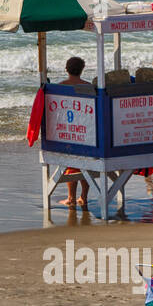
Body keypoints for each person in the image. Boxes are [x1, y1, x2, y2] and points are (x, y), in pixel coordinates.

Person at [57, 57, 92, 211]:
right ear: (82, 69)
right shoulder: (89, 87)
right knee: (85, 164)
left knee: (72, 164)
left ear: (66, 68)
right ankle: (83, 197)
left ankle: (71, 198)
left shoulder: (59, 87)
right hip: (87, 131)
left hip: (69, 130)